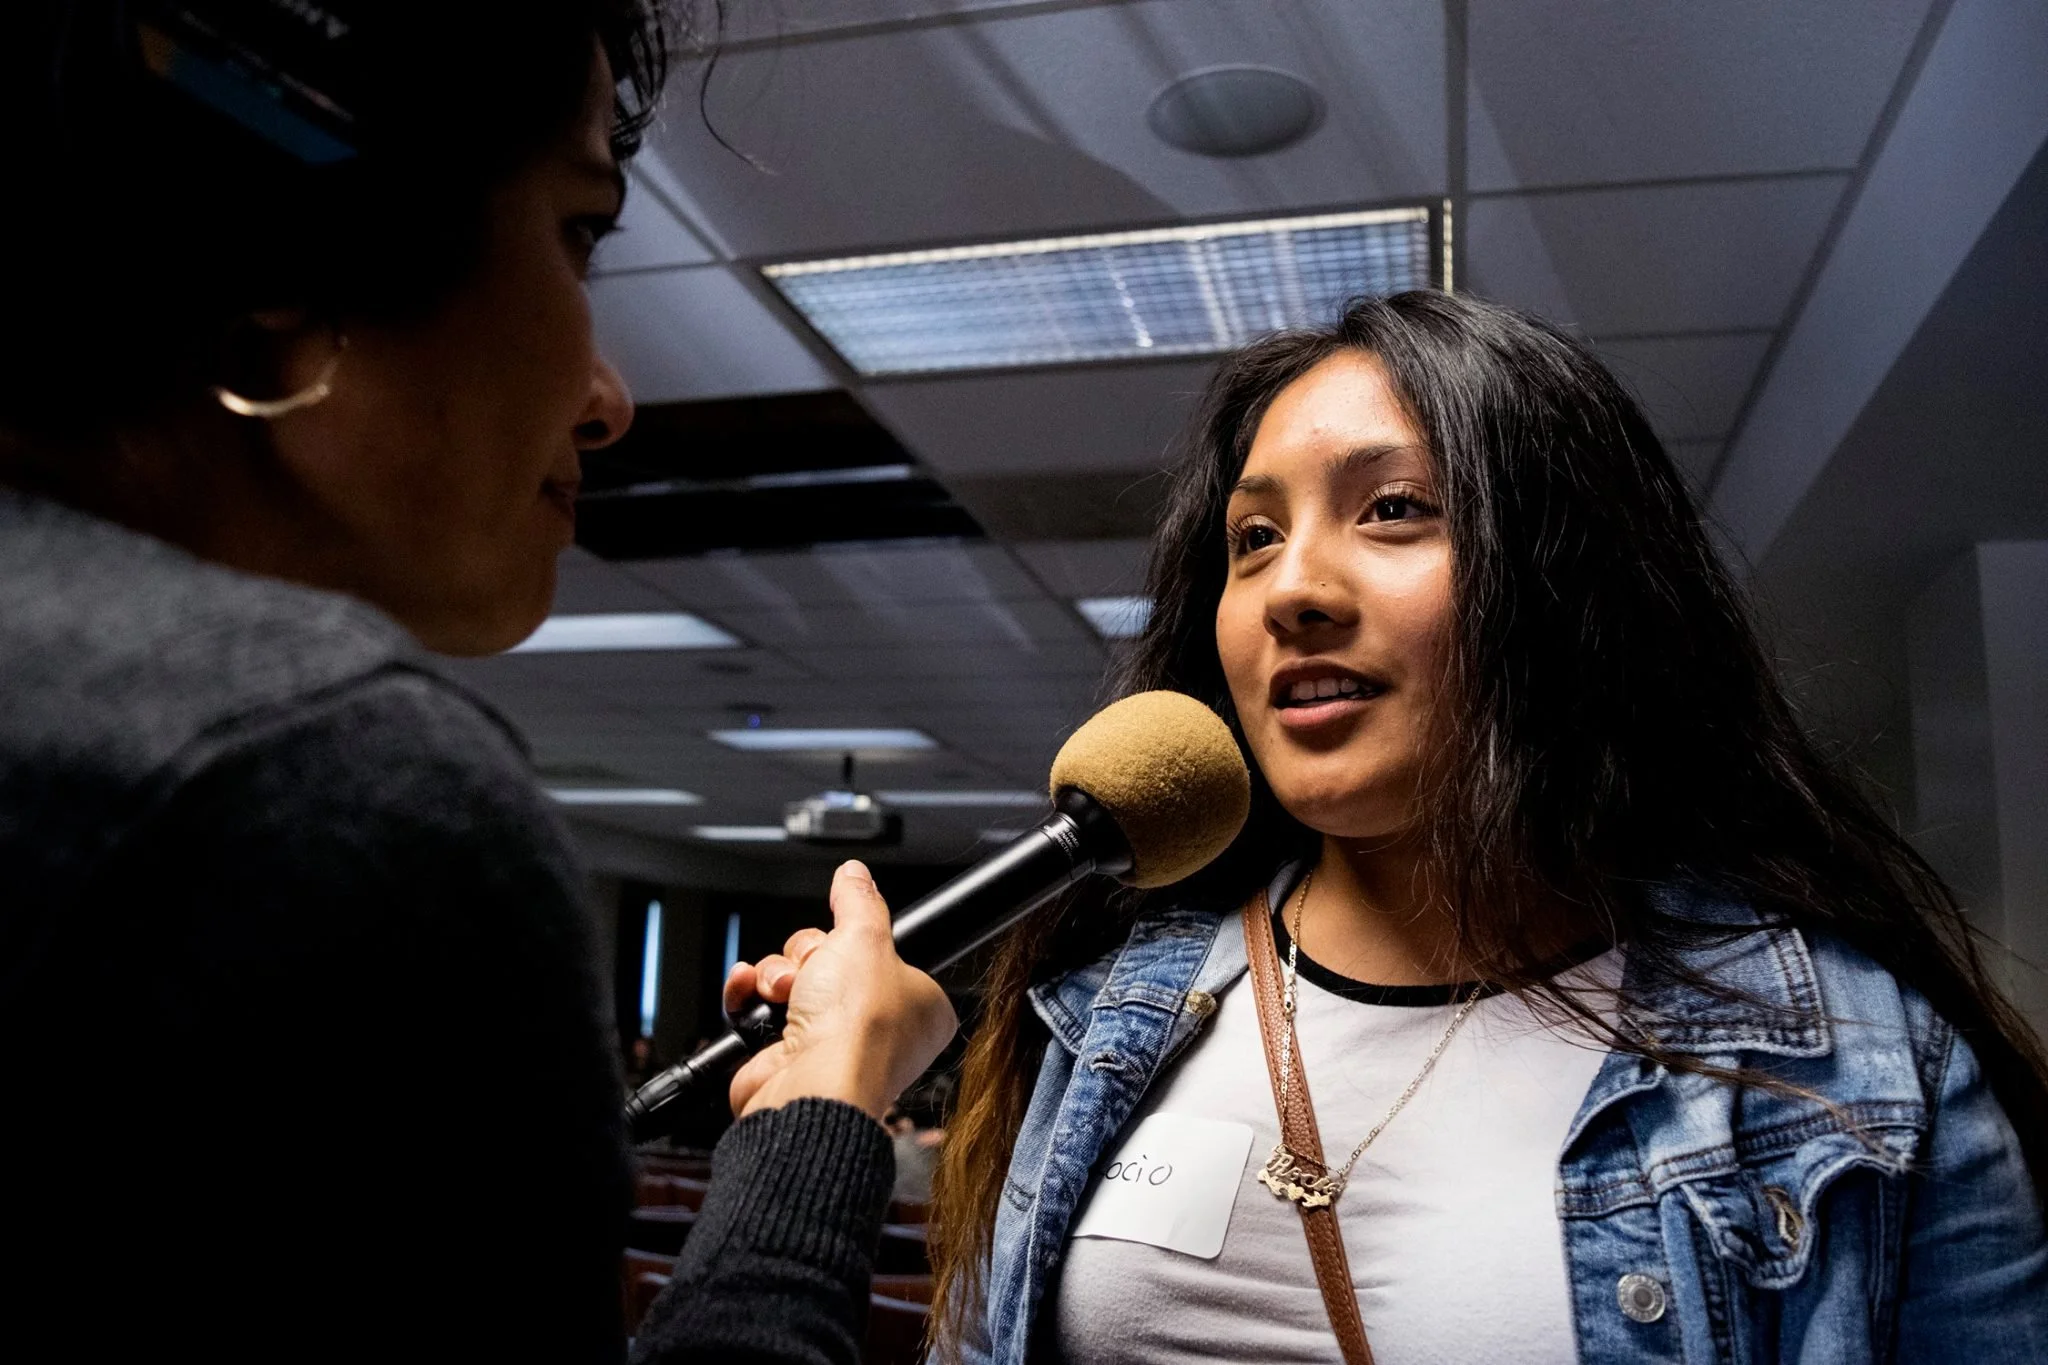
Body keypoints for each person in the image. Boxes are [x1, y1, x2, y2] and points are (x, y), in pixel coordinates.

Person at [0, 3, 953, 1361]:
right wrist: (824, 1120)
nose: (609, 398)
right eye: (576, 231)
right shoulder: (316, 790)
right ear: (289, 258)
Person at [929, 292, 2048, 1364]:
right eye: (1254, 535)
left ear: (1566, 581)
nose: (1289, 588)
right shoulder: (1100, 1017)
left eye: (1392, 509)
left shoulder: (1857, 1068)